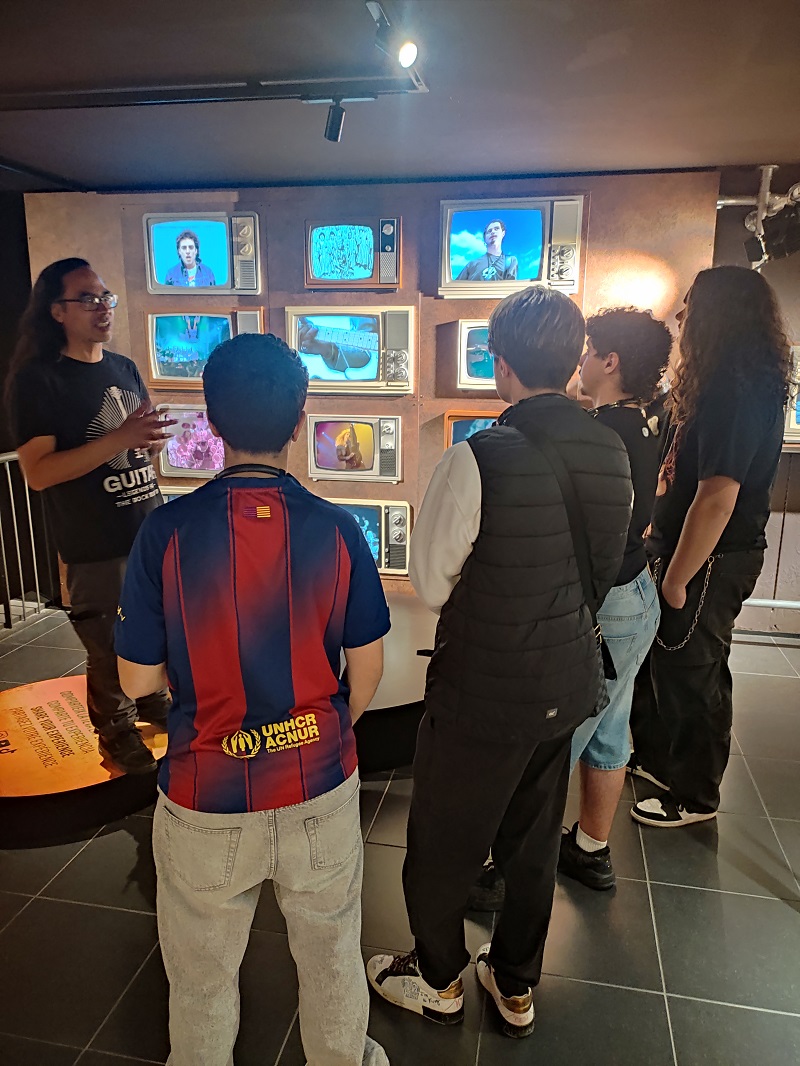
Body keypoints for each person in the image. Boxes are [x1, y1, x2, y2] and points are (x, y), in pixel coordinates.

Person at [114, 332, 391, 1066]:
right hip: (319, 786)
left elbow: (136, 681)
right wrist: (319, 732)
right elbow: (366, 671)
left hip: (204, 793)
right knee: (333, 956)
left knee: (201, 982)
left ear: (211, 418)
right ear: (300, 419)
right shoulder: (339, 530)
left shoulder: (165, 533)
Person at [366, 286, 632, 1038]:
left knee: (444, 843)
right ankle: (515, 985)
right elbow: (604, 565)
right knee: (533, 841)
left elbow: (431, 582)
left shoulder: (476, 456)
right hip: (566, 680)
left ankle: (437, 978)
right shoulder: (612, 449)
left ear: (499, 363)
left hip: (483, 691)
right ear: (575, 361)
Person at [629, 266, 792, 828]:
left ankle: (696, 795)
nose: (681, 316)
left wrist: (677, 577)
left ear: (719, 315)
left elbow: (718, 498)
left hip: (712, 558)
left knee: (693, 668)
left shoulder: (736, 391)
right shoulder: (717, 383)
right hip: (684, 549)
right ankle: (659, 762)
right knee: (667, 663)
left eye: (691, 304)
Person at [6, 258, 173, 774]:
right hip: (93, 542)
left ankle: (152, 701)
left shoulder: (123, 367)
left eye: (106, 296)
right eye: (87, 299)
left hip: (146, 529)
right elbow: (39, 472)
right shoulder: (37, 381)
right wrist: (120, 438)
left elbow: (139, 447)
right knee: (106, 643)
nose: (103, 307)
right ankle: (115, 732)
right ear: (56, 311)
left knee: (154, 630)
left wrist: (150, 443)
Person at [557, 308, 672, 889]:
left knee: (562, 734)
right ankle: (590, 849)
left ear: (611, 361)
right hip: (636, 593)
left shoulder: (600, 434)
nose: (581, 360)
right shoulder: (643, 422)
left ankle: (509, 868)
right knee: (609, 728)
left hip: (604, 605)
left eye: (588, 349)